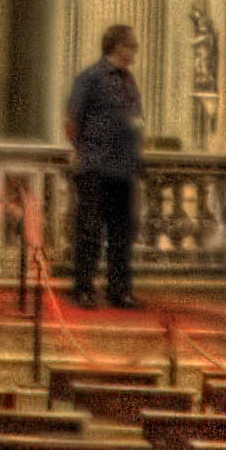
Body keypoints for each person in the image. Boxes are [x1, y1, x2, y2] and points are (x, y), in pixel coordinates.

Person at [65, 20, 145, 310]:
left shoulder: (129, 81)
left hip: (124, 168)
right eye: (132, 45)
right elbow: (72, 120)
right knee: (89, 231)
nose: (135, 51)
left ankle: (119, 289)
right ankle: (83, 288)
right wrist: (85, 152)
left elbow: (136, 120)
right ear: (118, 46)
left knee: (122, 233)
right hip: (95, 166)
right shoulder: (90, 78)